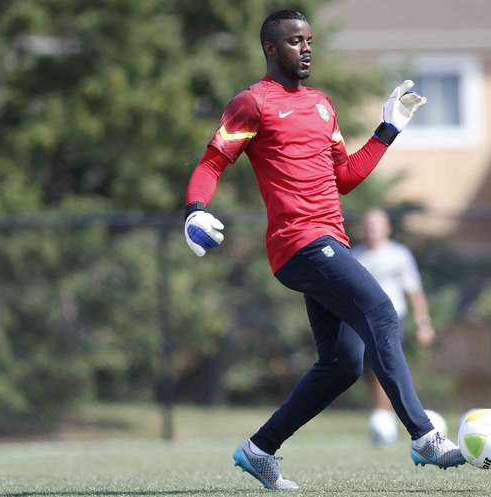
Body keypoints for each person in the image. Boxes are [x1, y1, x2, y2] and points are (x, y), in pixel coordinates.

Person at [183, 9, 464, 491]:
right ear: (271, 49)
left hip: (329, 240)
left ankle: (259, 450)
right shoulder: (252, 103)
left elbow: (345, 179)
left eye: (309, 40)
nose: (306, 48)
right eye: (294, 41)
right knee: (381, 310)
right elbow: (212, 162)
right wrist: (194, 209)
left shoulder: (321, 105)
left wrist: (387, 130)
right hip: (297, 242)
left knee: (341, 366)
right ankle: (423, 436)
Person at [352, 209, 435, 445]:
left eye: (378, 225)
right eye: (369, 225)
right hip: (361, 321)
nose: (373, 230)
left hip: (391, 319)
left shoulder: (399, 255)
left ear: (387, 227)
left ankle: (384, 420)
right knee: (368, 371)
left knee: (385, 367)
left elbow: (415, 291)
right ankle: (383, 417)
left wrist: (423, 323)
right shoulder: (356, 256)